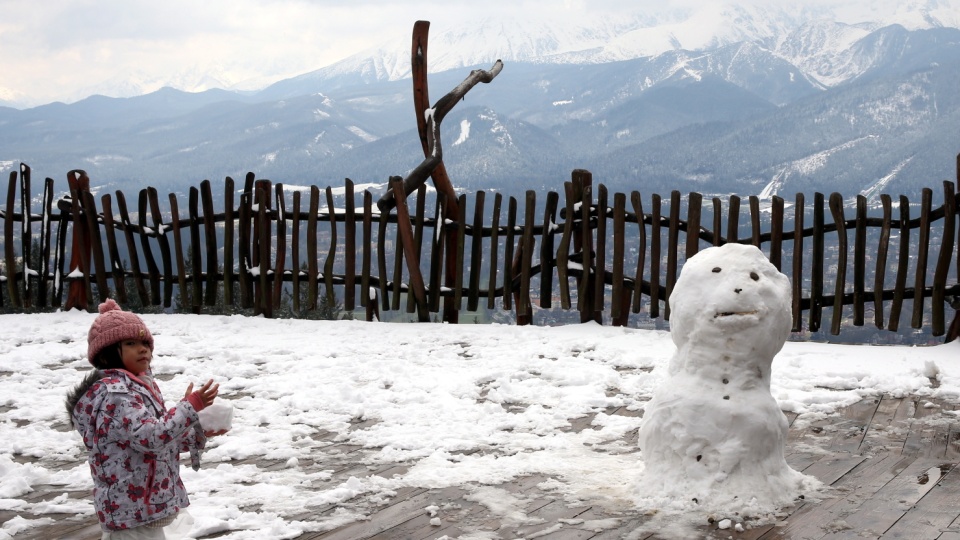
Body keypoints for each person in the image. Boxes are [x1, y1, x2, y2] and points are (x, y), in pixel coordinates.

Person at [66, 299, 224, 539]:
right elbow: (152, 438)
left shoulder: (137, 387)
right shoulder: (115, 396)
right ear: (108, 353)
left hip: (141, 504)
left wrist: (195, 430)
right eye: (131, 343)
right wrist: (189, 407)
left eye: (145, 343)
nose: (143, 349)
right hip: (128, 510)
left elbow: (157, 441)